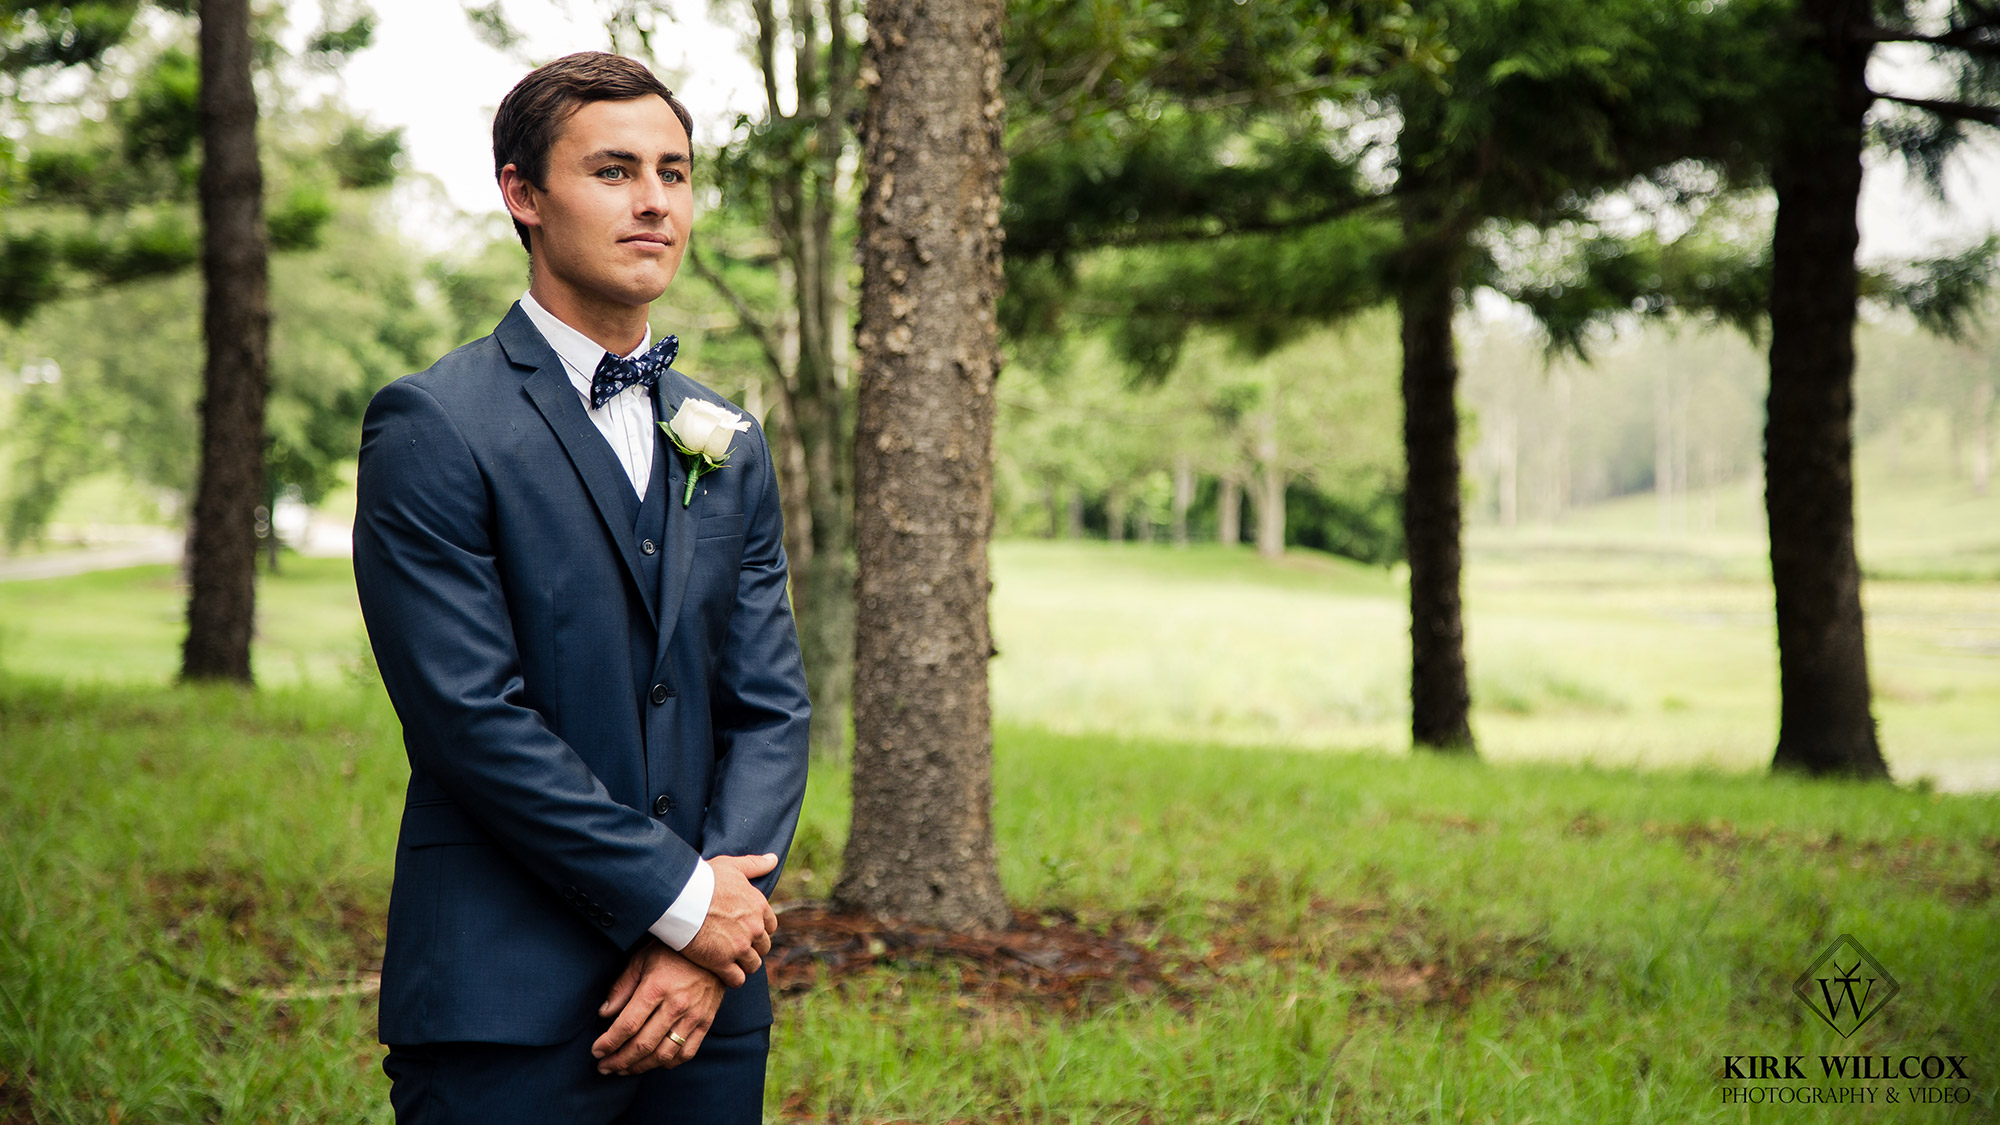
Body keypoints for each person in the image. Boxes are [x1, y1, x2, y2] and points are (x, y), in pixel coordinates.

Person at [353, 51, 810, 1124]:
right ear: (522, 194)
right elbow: (470, 720)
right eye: (613, 171)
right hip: (502, 996)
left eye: (675, 171)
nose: (655, 200)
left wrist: (710, 943)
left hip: (709, 1003)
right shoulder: (433, 425)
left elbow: (771, 708)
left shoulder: (727, 440)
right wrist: (680, 902)